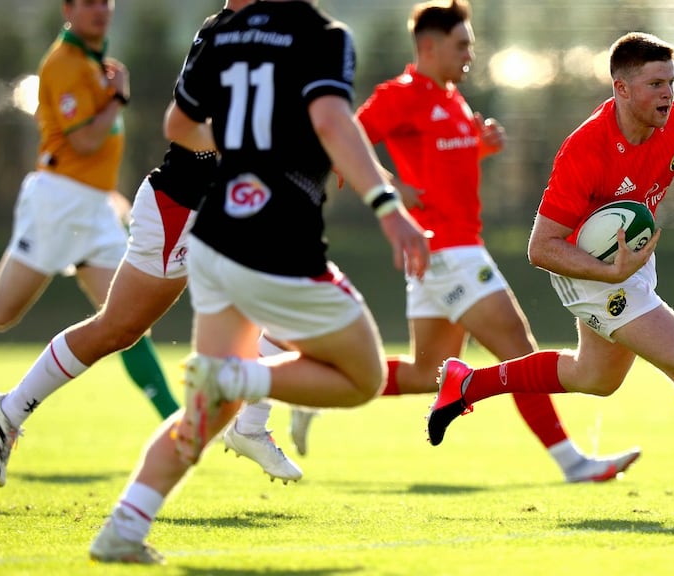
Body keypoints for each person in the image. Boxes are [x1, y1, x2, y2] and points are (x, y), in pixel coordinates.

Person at [234, 0, 641, 483]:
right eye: (461, 44)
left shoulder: (451, 99)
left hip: (442, 252)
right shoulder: (401, 94)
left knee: (424, 375)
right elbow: (344, 140)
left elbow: (442, 164)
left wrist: (478, 145)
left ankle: (303, 384)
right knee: (517, 344)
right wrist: (389, 187)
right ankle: (572, 462)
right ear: (428, 46)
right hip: (447, 250)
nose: (470, 53)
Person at [427, 32, 674, 518]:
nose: (668, 94)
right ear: (621, 89)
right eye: (655, 83)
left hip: (626, 263)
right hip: (586, 269)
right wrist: (604, 270)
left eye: (671, 82)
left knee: (594, 377)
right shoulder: (585, 150)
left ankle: (468, 384)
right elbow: (540, 248)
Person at [88, 0, 430, 564]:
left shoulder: (221, 33)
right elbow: (329, 119)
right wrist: (387, 205)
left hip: (215, 237)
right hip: (280, 246)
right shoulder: (325, 34)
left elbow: (177, 124)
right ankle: (239, 376)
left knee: (208, 410)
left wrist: (245, 149)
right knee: (363, 376)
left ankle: (123, 527)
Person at [0, 0, 304, 489]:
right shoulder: (224, 37)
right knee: (115, 329)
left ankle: (247, 425)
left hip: (210, 204)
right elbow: (186, 127)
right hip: (181, 206)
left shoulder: (254, 34)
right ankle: (11, 408)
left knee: (289, 288)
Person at [0, 0, 181, 485]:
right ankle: (175, 422)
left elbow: (95, 151)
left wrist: (109, 195)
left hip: (89, 206)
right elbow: (83, 143)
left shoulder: (91, 63)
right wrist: (117, 99)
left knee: (125, 319)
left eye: (105, 2)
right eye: (88, 3)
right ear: (68, 9)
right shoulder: (63, 64)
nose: (100, 10)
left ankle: (175, 422)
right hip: (58, 201)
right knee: (0, 311)